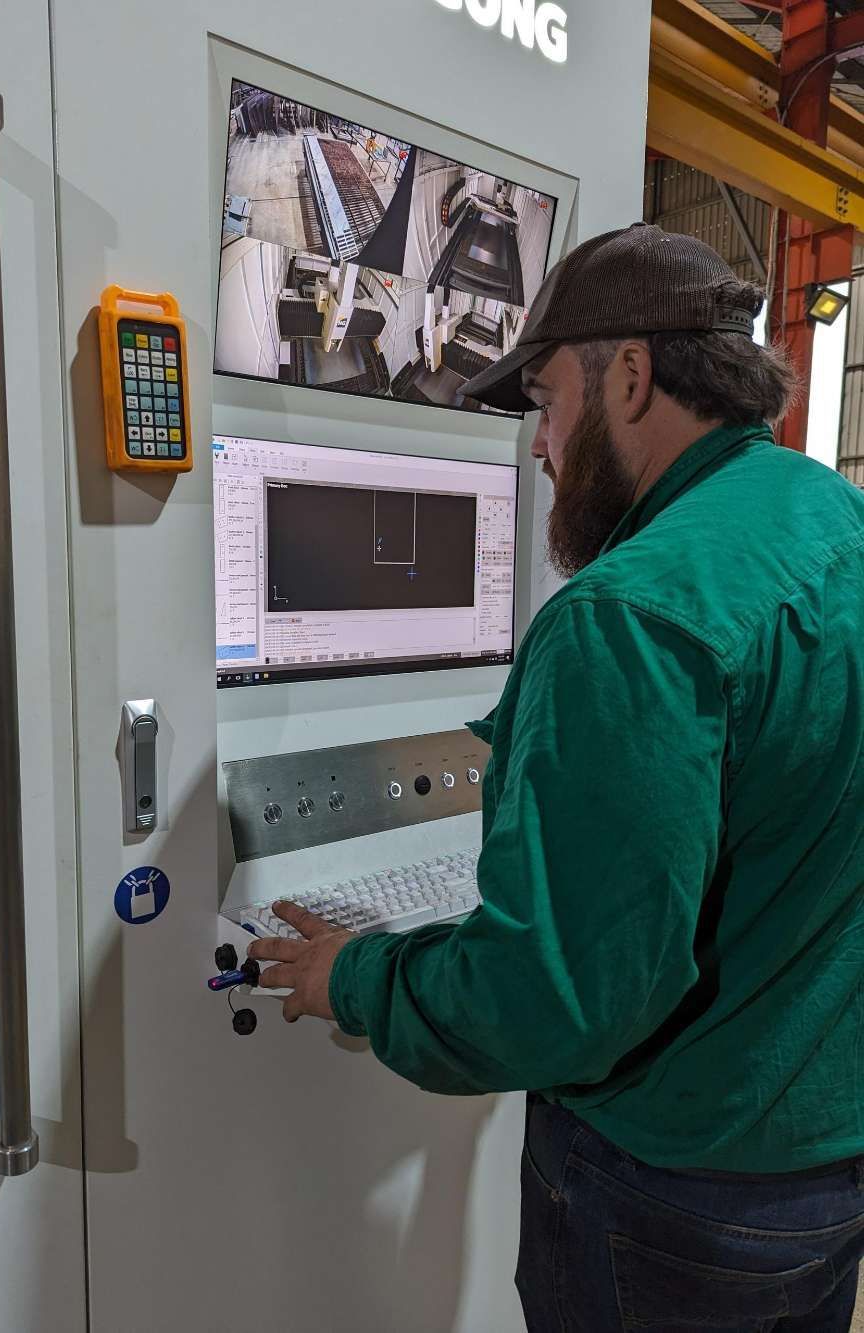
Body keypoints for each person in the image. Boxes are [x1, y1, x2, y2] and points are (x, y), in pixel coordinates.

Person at [248, 223, 864, 1331]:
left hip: (669, 1196)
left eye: (546, 403)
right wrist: (539, 739)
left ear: (629, 375)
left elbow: (558, 1003)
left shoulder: (625, 613)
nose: (538, 448)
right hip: (822, 1164)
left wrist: (353, 979)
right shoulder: (829, 515)